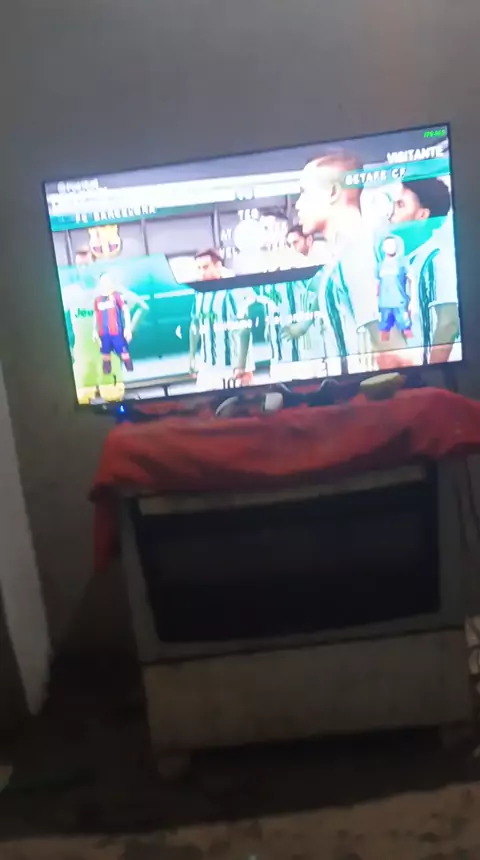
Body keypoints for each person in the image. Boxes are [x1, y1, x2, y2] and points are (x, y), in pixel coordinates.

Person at [294, 151, 393, 372]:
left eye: (304, 193)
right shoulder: (345, 251)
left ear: (333, 192)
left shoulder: (356, 251)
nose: (298, 205)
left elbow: (392, 349)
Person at [390, 178, 459, 363]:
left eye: (400, 205)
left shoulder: (436, 259)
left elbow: (449, 323)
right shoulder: (406, 261)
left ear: (422, 215)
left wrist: (432, 371)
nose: (392, 212)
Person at [190, 248, 256, 390]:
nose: (202, 273)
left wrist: (244, 365)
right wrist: (192, 358)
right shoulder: (199, 291)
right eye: (199, 268)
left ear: (218, 265)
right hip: (207, 366)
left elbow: (244, 328)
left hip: (231, 366)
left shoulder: (235, 288)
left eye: (205, 267)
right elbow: (195, 323)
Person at [92, 273, 134, 376]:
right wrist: (94, 330)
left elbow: (126, 311)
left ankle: (131, 373)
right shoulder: (97, 300)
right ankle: (107, 377)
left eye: (107, 280)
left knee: (124, 355)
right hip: (104, 334)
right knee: (105, 356)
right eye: (103, 281)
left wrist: (128, 328)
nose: (105, 283)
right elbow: (95, 315)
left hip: (117, 332)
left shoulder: (117, 296)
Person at [376, 236, 413, 341]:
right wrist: (375, 305)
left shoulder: (403, 262)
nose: (390, 247)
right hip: (384, 305)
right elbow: (377, 286)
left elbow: (412, 281)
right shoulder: (379, 265)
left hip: (400, 304)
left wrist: (412, 302)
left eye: (393, 244)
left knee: (407, 331)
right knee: (384, 333)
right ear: (383, 248)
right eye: (388, 245)